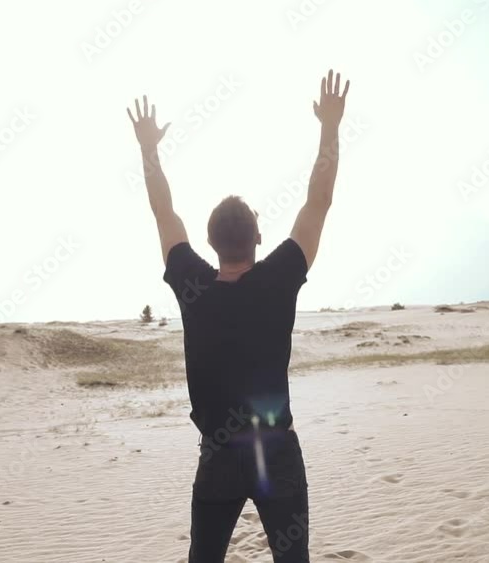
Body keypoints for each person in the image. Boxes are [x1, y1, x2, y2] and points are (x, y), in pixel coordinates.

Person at [126, 69, 351, 563]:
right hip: (277, 452)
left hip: (219, 456)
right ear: (258, 238)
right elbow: (319, 201)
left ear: (209, 242)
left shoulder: (193, 284)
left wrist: (149, 149)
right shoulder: (279, 277)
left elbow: (163, 213)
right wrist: (330, 126)